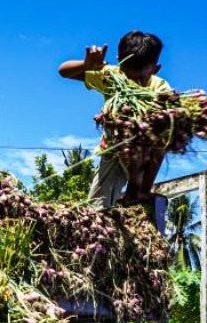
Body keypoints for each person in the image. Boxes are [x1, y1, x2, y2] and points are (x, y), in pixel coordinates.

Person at [58, 31, 170, 208]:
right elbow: (64, 71)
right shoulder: (111, 76)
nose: (133, 82)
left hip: (144, 156)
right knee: (96, 209)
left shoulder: (160, 87)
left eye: (140, 78)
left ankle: (140, 191)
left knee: (162, 132)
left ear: (155, 69)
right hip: (112, 151)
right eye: (128, 75)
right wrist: (87, 64)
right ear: (119, 62)